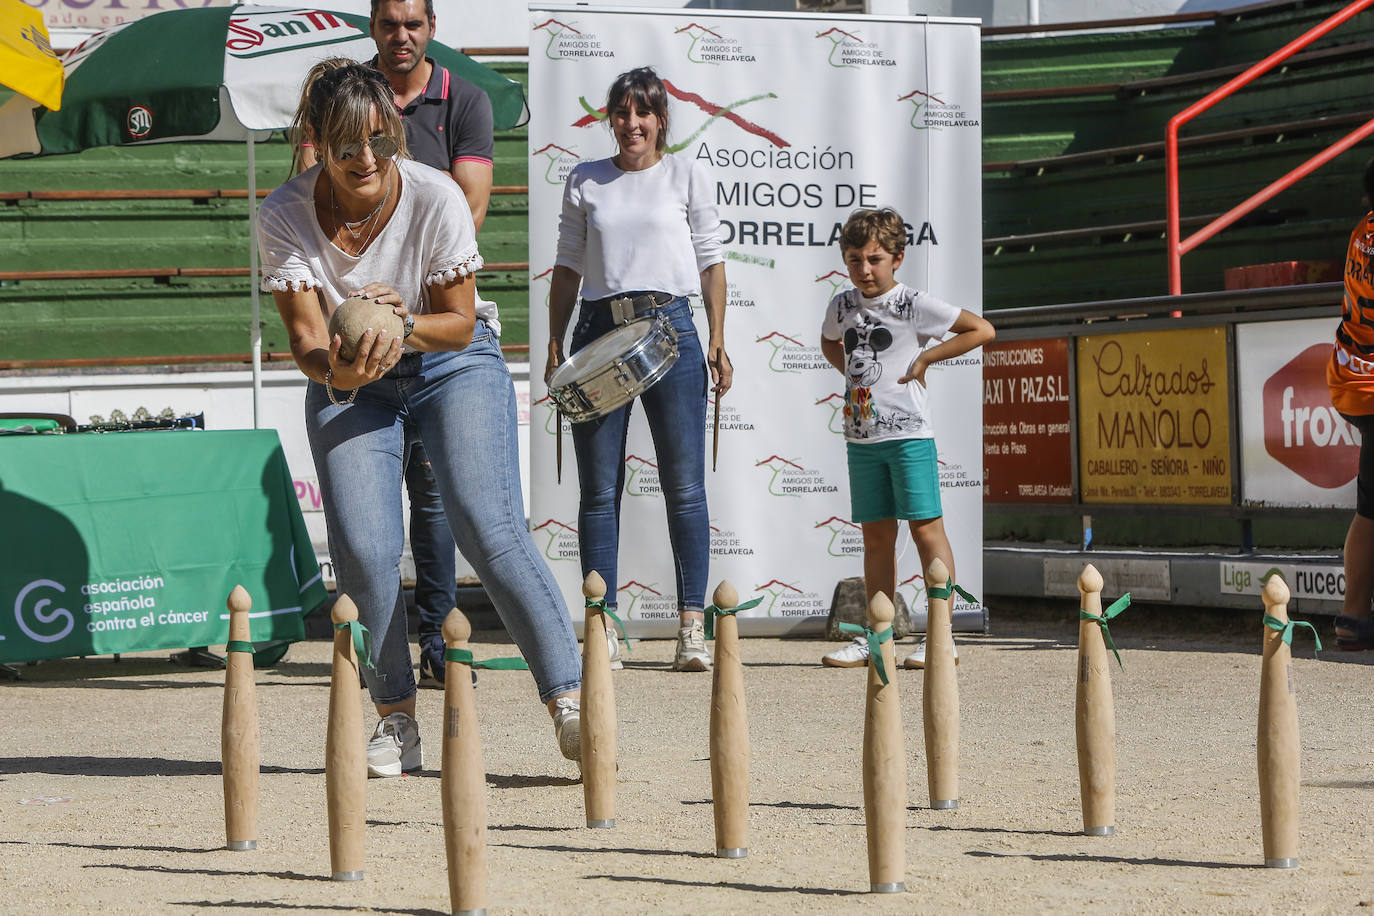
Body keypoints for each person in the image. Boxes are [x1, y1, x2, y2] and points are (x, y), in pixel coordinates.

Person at [259, 64, 582, 777]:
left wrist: (401, 326)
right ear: (316, 141)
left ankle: (571, 701)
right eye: (347, 145)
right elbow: (308, 342)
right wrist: (342, 372)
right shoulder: (281, 214)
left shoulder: (434, 196)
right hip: (350, 383)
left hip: (446, 361)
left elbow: (461, 324)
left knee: (485, 524)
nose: (366, 159)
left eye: (379, 139)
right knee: (366, 549)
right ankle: (395, 717)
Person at [546, 66, 733, 672]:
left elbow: (711, 264)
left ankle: (689, 628)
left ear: (660, 120)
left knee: (684, 487)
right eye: (621, 113)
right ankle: (603, 627)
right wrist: (555, 340)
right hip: (599, 330)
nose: (631, 124)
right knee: (598, 491)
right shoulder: (584, 179)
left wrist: (719, 340)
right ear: (611, 119)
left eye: (642, 113)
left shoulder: (686, 174)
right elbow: (568, 269)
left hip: (671, 329)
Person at [818, 207, 994, 670]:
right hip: (861, 438)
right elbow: (830, 341)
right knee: (876, 538)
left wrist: (926, 360)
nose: (864, 269)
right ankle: (876, 636)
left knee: (926, 531)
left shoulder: (912, 302)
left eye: (874, 259)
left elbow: (982, 329)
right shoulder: (841, 304)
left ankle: (942, 634)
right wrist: (854, 382)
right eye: (854, 259)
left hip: (909, 435)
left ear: (897, 258)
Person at [1326, 157, 1374, 651]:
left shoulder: (1363, 232)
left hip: (1350, 378)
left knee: (1372, 506)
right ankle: (1355, 616)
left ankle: (1356, 617)